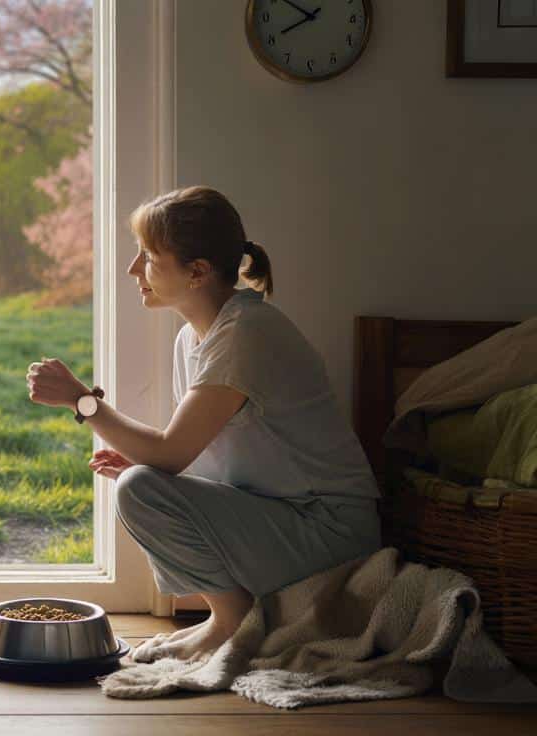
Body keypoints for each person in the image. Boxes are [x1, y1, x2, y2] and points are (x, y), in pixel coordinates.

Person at [25, 186, 381, 662]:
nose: (134, 270)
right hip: (283, 516)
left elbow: (171, 452)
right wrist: (142, 463)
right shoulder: (191, 339)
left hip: (328, 529)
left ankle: (229, 624)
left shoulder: (246, 333)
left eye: (149, 257)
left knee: (139, 486)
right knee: (140, 483)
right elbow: (202, 457)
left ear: (197, 272)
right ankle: (229, 619)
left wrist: (82, 402)